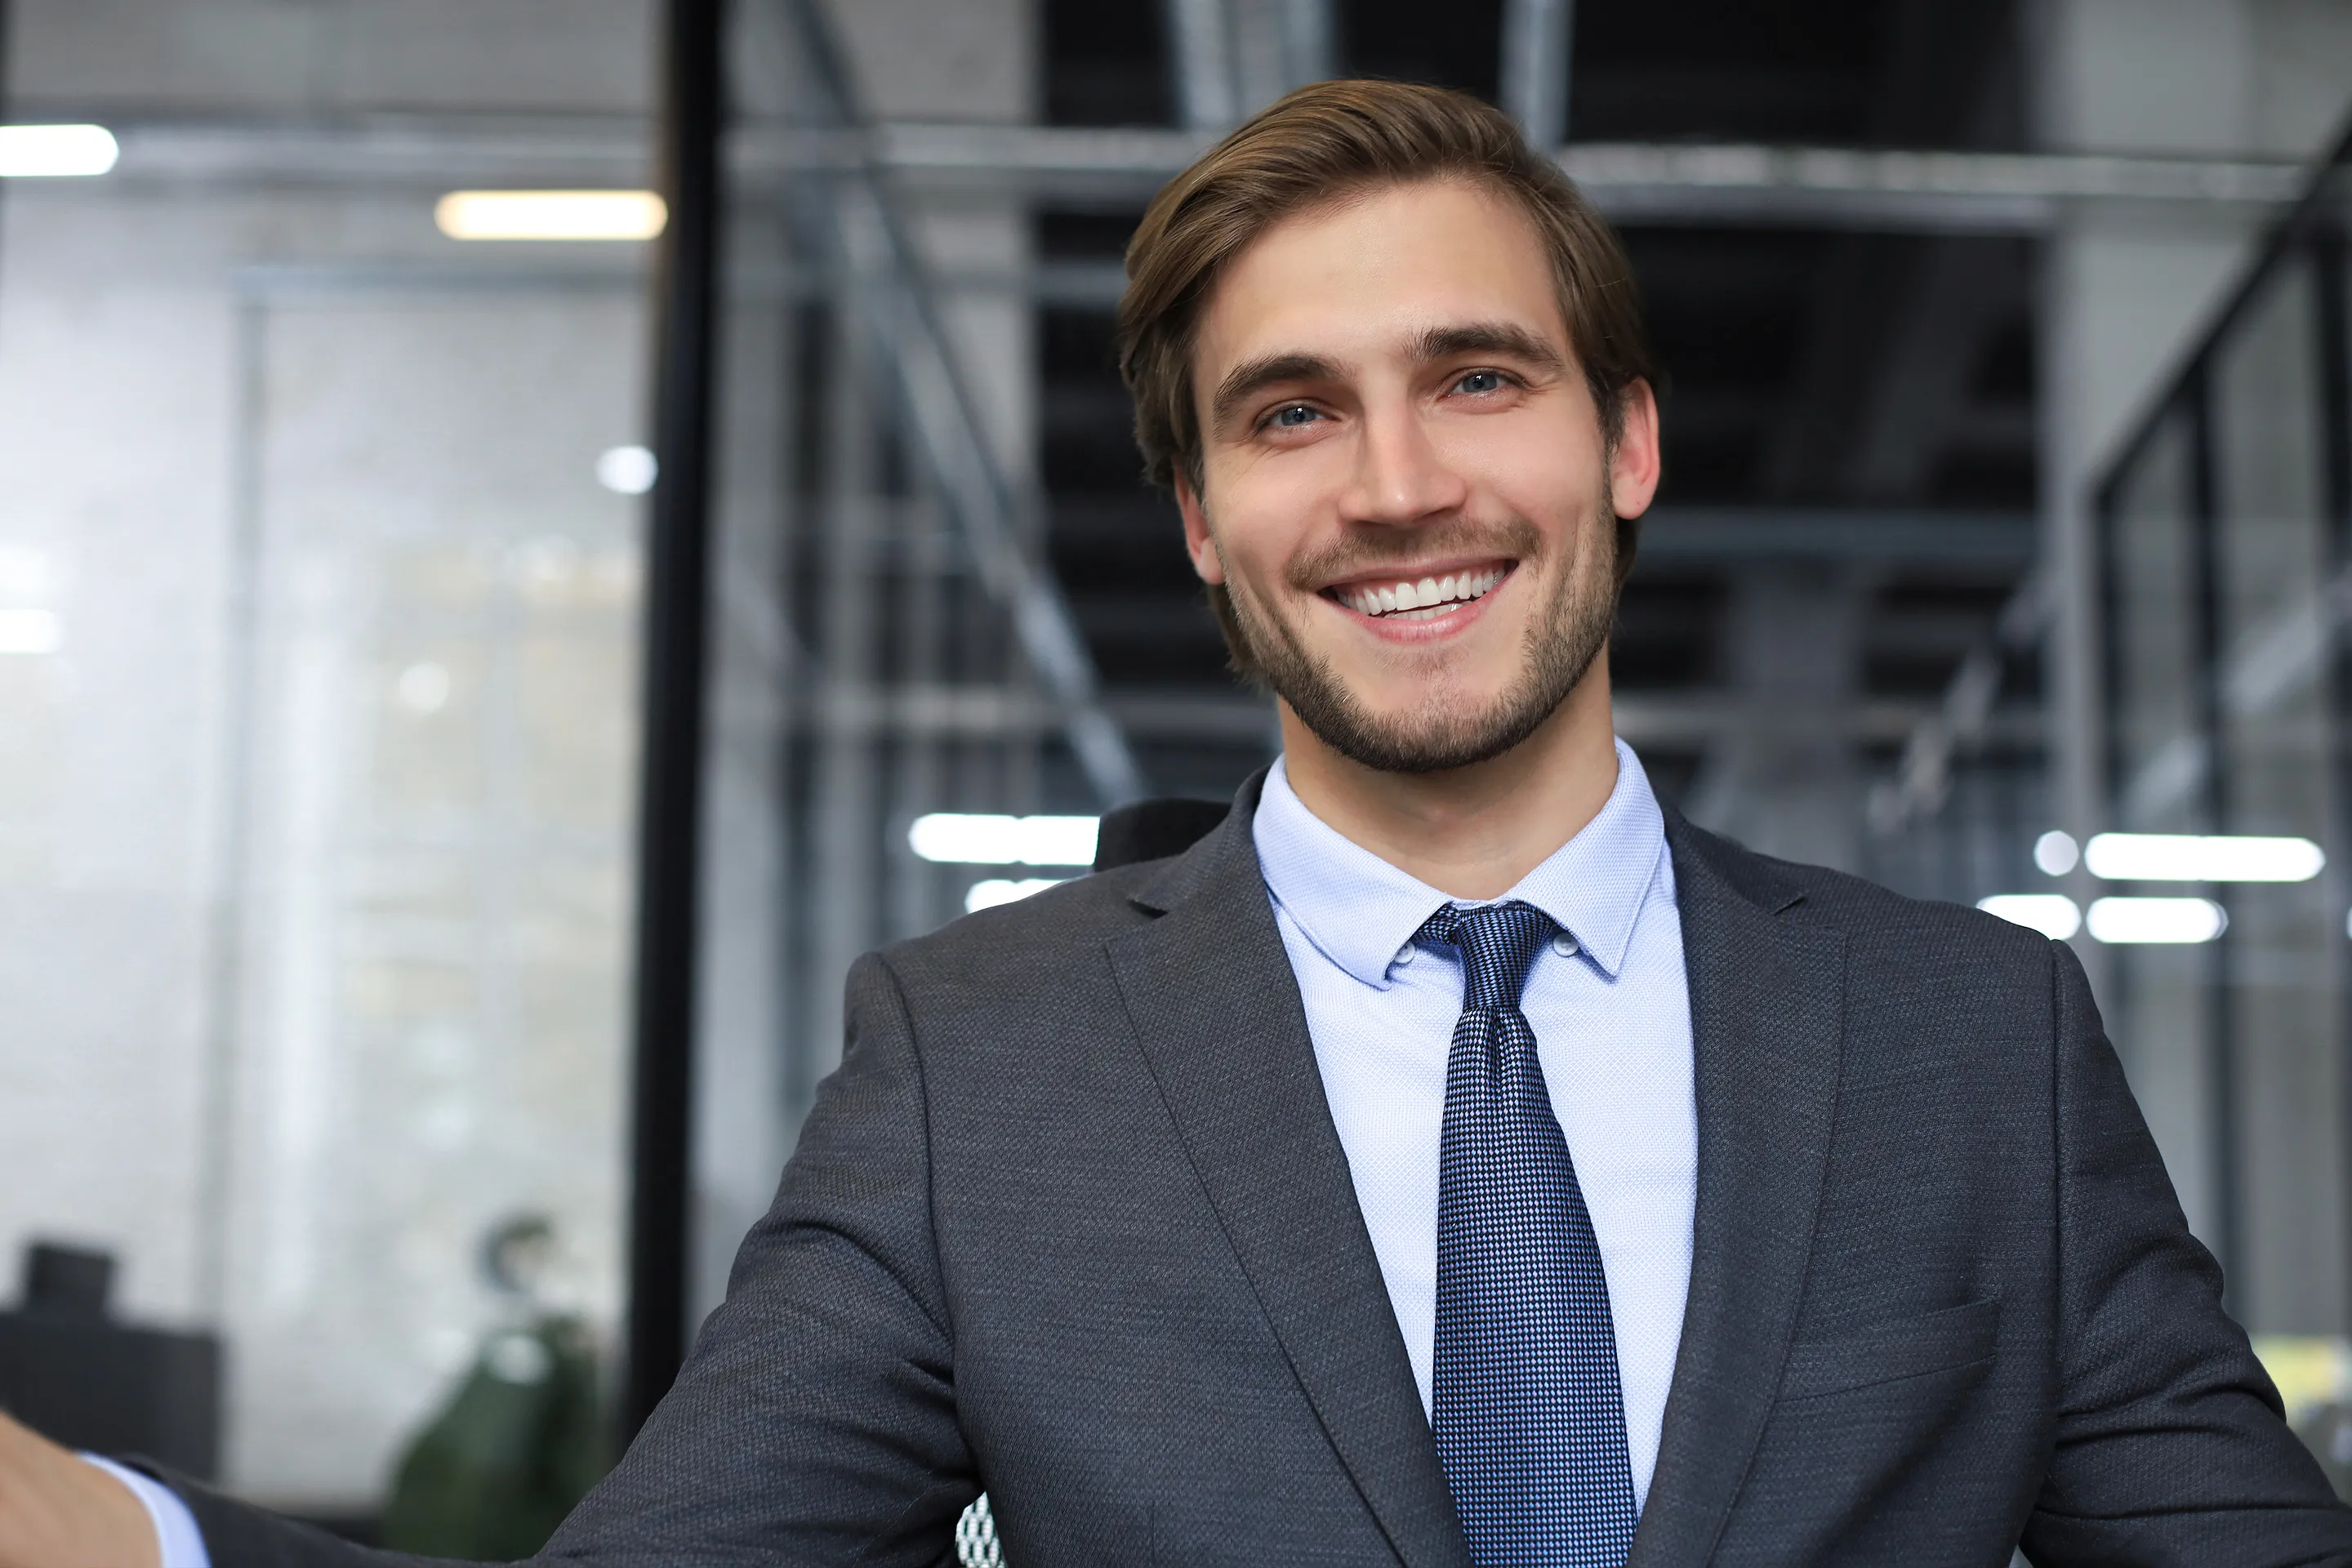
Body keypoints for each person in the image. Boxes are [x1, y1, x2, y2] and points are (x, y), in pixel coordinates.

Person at [2, 78, 2348, 1568]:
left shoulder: (1978, 1042)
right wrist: (111, 1535)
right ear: (1210, 519)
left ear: (1626, 446)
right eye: (1292, 413)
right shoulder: (974, 1064)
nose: (1401, 481)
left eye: (1480, 377)